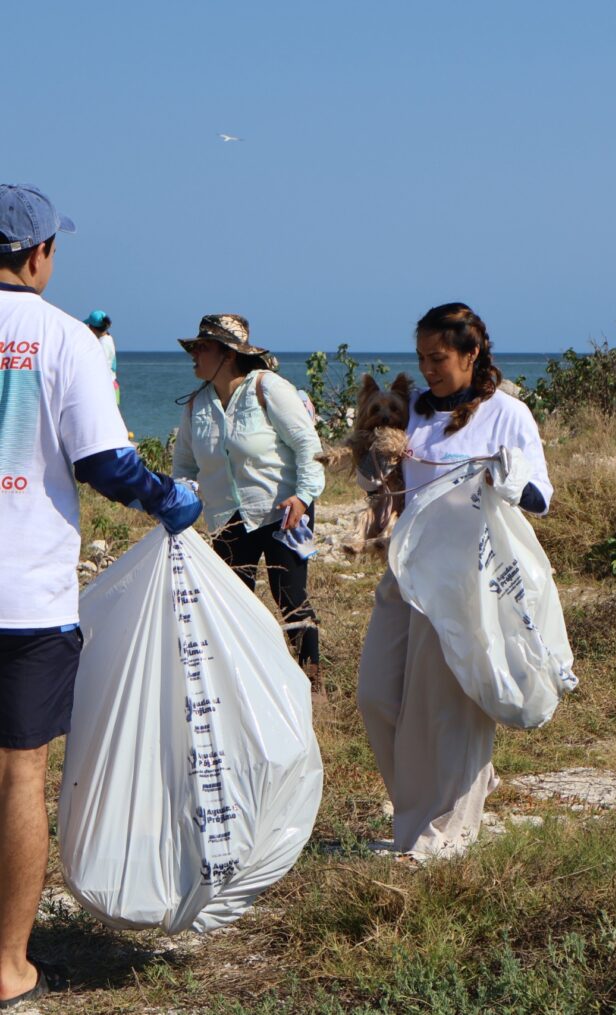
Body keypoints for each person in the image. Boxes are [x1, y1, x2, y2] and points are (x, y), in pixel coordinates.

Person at [0, 183, 202, 1007]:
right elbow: (105, 463)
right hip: (25, 595)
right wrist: (170, 498)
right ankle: (9, 967)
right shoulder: (64, 338)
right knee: (18, 774)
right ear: (40, 253)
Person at [357, 302, 553, 860]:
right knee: (376, 696)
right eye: (421, 358)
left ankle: (440, 834)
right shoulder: (414, 409)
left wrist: (508, 479)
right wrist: (374, 461)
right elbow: (377, 474)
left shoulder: (507, 413)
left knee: (444, 711)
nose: (427, 369)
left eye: (438, 358)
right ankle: (451, 791)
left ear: (472, 353)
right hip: (408, 569)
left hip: (469, 577)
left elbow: (541, 496)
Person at [172, 314, 326, 693]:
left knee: (290, 598)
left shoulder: (267, 388)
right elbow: (185, 468)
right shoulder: (196, 406)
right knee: (231, 605)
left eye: (202, 348)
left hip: (283, 511)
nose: (194, 355)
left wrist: (304, 497)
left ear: (228, 354)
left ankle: (313, 684)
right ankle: (250, 686)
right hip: (226, 518)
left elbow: (308, 446)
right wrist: (178, 507)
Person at [84, 309, 119, 403]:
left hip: (107, 388)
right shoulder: (108, 338)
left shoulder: (102, 345)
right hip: (113, 384)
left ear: (92, 328)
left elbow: (98, 368)